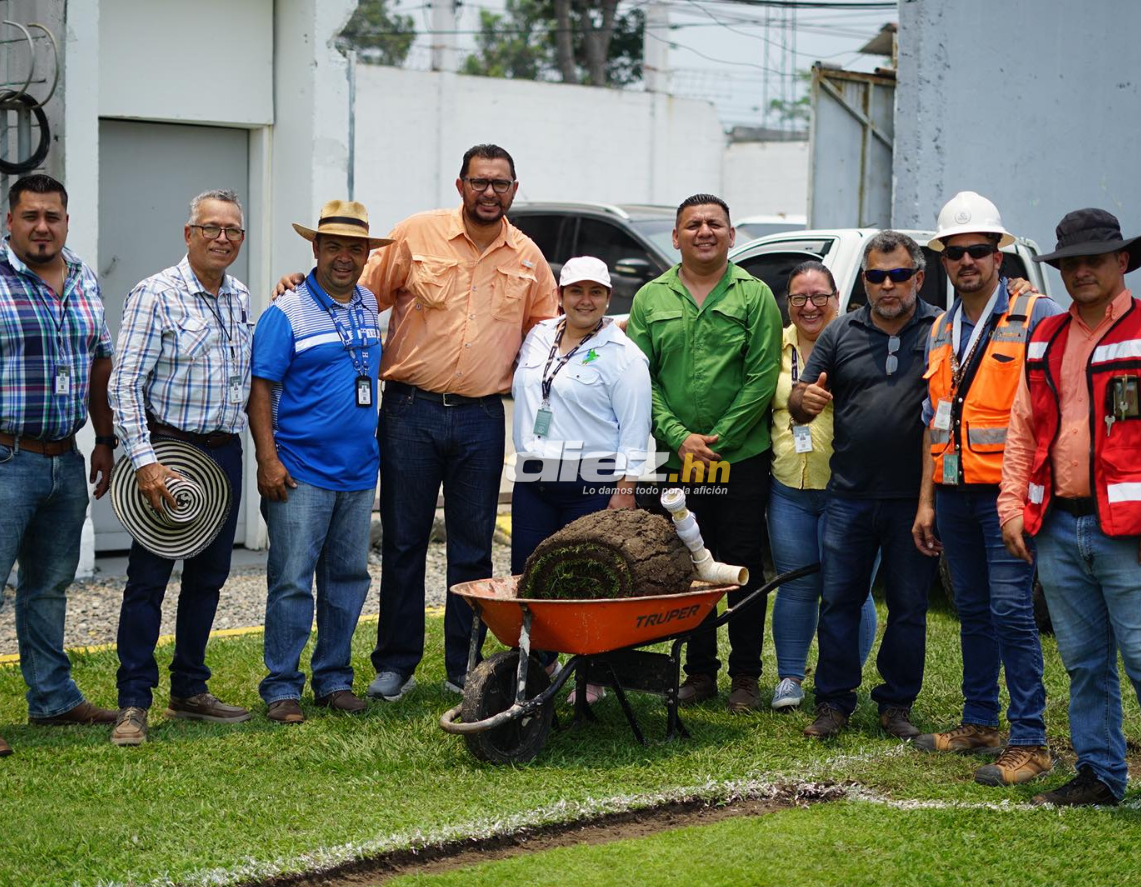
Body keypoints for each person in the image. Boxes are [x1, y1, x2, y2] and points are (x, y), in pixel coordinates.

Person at [275, 145, 558, 701]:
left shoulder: (529, 258)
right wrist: (298, 286)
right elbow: (354, 295)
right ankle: (396, 664)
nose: (489, 193)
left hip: (481, 417)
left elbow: (548, 338)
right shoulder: (416, 234)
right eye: (479, 182)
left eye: (500, 184)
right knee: (404, 540)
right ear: (460, 185)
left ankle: (465, 663)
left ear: (514, 191)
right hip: (410, 410)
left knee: (473, 547)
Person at [1000, 208, 1141, 837]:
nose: (1081, 271)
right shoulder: (1046, 339)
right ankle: (1101, 774)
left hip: (1135, 533)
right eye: (1070, 262)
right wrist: (1012, 508)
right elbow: (1023, 433)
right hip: (1058, 526)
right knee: (1083, 662)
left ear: (1122, 262)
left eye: (1094, 259)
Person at [910, 192, 1064, 785]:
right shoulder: (943, 326)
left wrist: (1029, 496)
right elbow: (935, 418)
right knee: (972, 612)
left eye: (979, 250)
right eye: (956, 252)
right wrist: (926, 502)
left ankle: (1031, 741)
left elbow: (1057, 408)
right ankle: (980, 722)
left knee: (1009, 612)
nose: (967, 261)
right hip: (952, 493)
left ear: (999, 255)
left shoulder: (1038, 313)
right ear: (943, 260)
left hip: (1008, 496)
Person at [107, 189, 253, 746]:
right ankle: (132, 702)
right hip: (170, 453)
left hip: (223, 454)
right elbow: (124, 385)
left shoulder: (239, 296)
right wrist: (144, 462)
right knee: (148, 580)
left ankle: (189, 689)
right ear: (188, 233)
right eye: (211, 228)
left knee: (209, 579)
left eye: (233, 231)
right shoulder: (156, 294)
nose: (222, 238)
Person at [627, 193, 781, 713]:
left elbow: (762, 377)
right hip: (673, 459)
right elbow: (639, 378)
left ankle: (745, 676)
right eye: (692, 224)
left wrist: (717, 439)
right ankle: (697, 672)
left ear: (732, 235)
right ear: (676, 238)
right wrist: (678, 436)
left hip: (740, 458)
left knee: (739, 564)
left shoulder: (755, 296)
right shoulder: (651, 298)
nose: (704, 231)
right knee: (685, 565)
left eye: (715, 223)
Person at [789, 231, 941, 740]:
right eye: (876, 276)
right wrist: (801, 403)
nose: (887, 285)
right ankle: (833, 703)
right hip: (848, 496)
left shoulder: (941, 329)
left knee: (908, 607)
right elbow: (800, 397)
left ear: (917, 277)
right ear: (865, 281)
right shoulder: (841, 333)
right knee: (839, 602)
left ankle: (896, 705)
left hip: (914, 501)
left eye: (898, 275)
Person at [0, 175, 118, 758]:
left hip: (64, 459)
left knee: (47, 588)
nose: (43, 227)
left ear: (66, 221)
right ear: (9, 221)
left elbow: (99, 364)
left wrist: (106, 439)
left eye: (53, 217)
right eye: (31, 216)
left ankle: (53, 700)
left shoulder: (84, 276)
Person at [249, 201, 387, 724]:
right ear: (315, 250)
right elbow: (261, 389)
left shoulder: (369, 304)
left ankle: (333, 679)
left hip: (358, 471)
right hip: (299, 471)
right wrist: (268, 458)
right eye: (335, 247)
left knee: (348, 578)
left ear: (367, 256)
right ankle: (281, 685)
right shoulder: (285, 312)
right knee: (290, 580)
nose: (345, 258)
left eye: (355, 248)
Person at [511, 256, 652, 702]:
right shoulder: (538, 336)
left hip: (589, 483)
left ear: (609, 298)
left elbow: (635, 429)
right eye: (576, 291)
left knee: (586, 582)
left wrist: (625, 490)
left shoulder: (624, 356)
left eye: (595, 292)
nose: (585, 300)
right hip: (534, 477)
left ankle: (590, 676)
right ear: (561, 296)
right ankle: (541, 666)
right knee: (529, 577)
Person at [767, 261, 877, 711]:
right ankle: (790, 679)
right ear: (788, 303)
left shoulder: (862, 340)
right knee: (795, 585)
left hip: (850, 489)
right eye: (798, 298)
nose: (809, 306)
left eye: (819, 297)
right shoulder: (775, 344)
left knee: (850, 588)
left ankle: (844, 678)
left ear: (838, 298)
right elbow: (759, 392)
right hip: (789, 486)